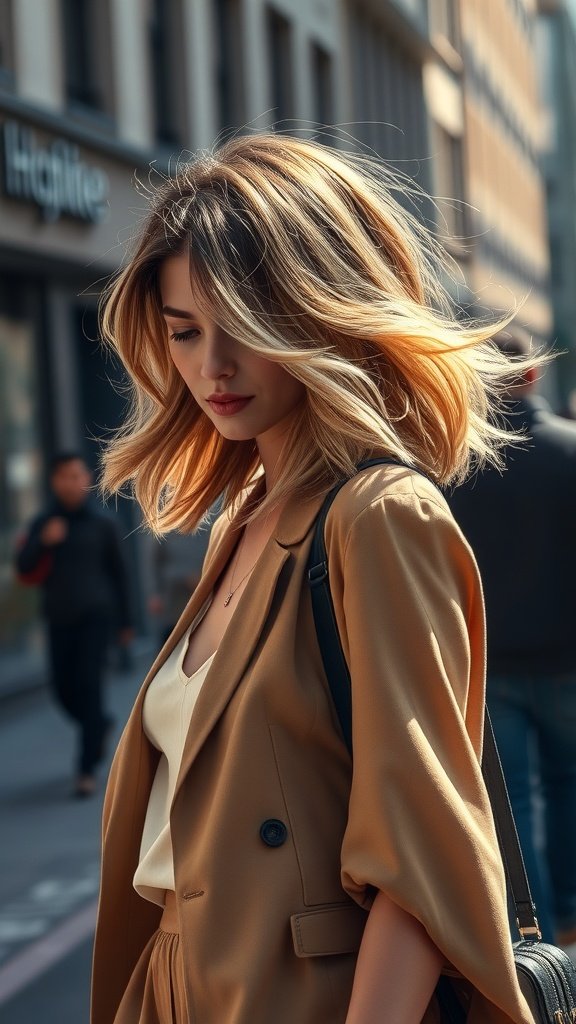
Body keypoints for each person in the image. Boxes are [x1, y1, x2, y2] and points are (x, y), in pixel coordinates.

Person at [91, 134, 537, 1024]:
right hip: (172, 983)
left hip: (298, 994)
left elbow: (421, 859)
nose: (211, 367)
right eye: (185, 331)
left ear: (320, 314)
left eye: (244, 326)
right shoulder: (245, 517)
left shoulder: (377, 516)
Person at [448, 325, 576, 957]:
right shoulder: (571, 451)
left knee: (513, 803)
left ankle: (539, 939)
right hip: (569, 659)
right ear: (533, 374)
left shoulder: (454, 466)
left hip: (489, 662)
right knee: (570, 784)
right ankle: (573, 915)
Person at [15, 452, 133, 798]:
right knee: (63, 690)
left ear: (87, 479)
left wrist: (125, 622)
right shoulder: (44, 522)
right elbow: (23, 567)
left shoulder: (103, 523)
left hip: (96, 617)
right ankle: (99, 726)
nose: (73, 482)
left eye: (78, 475)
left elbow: (120, 575)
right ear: (55, 481)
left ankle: (85, 770)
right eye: (65, 476)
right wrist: (42, 541)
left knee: (88, 686)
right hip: (59, 618)